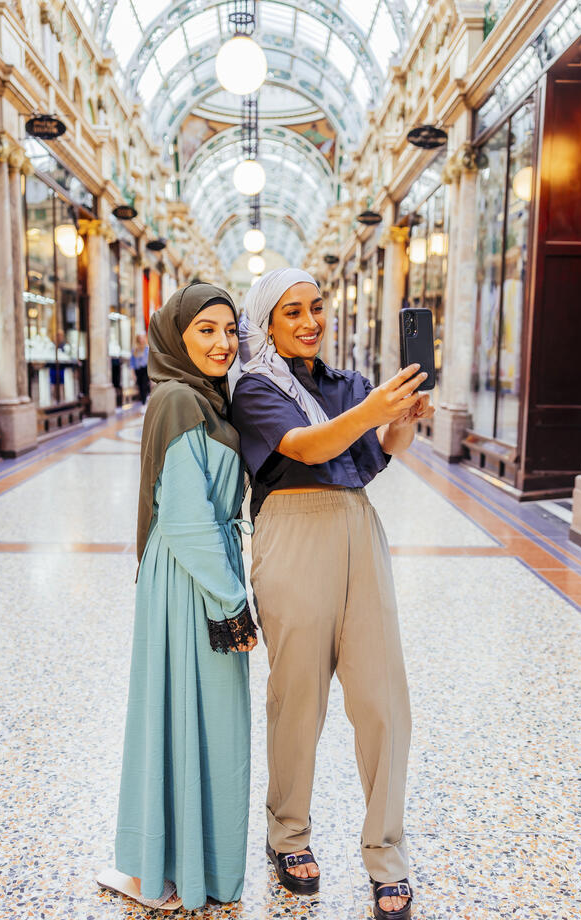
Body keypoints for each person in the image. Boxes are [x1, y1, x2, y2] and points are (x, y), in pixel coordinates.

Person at [231, 268, 434, 920]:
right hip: (291, 532)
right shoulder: (255, 388)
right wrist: (373, 410)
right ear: (267, 323)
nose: (310, 321)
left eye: (316, 308)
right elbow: (307, 445)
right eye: (292, 312)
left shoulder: (346, 384)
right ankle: (287, 835)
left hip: (357, 528)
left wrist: (404, 418)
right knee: (299, 698)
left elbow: (382, 449)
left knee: (383, 700)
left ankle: (386, 854)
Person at [97, 282, 258, 912]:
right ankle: (158, 870)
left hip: (208, 572)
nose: (222, 344)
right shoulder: (174, 400)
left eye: (229, 332)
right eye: (206, 331)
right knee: (181, 710)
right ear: (176, 337)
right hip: (191, 578)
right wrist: (229, 600)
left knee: (213, 719)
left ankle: (198, 870)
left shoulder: (206, 400)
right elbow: (187, 517)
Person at [130, 332, 150, 404]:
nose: (141, 340)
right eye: (139, 338)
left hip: (145, 369)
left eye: (142, 338)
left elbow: (150, 361)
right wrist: (133, 374)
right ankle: (143, 401)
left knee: (145, 384)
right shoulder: (134, 349)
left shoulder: (147, 349)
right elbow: (132, 362)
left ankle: (144, 401)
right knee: (140, 385)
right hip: (138, 370)